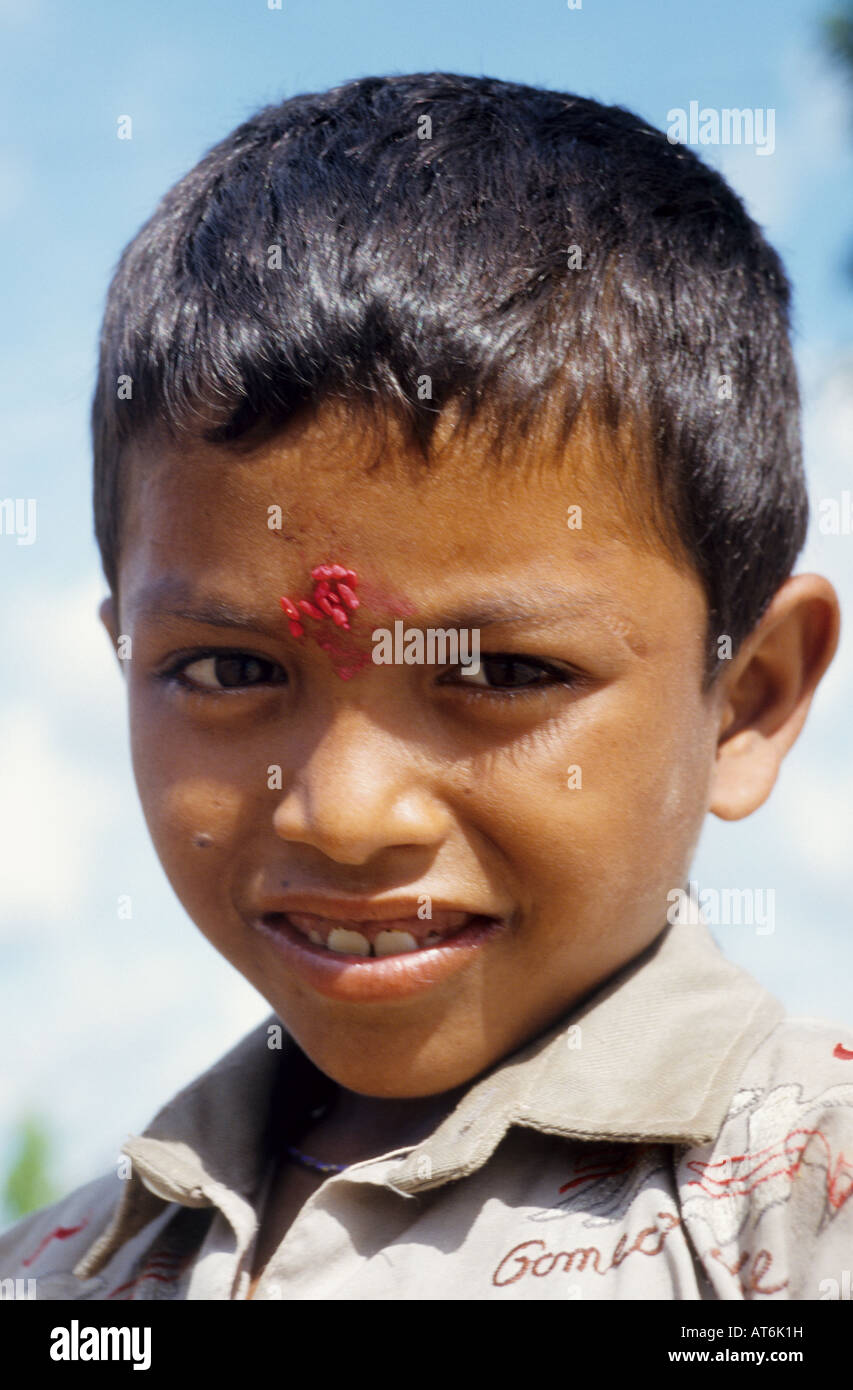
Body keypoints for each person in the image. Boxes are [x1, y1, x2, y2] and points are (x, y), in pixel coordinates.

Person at [1, 71, 849, 1301]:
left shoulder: (796, 1212)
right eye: (230, 668)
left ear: (749, 699)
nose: (342, 814)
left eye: (503, 673)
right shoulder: (68, 1272)